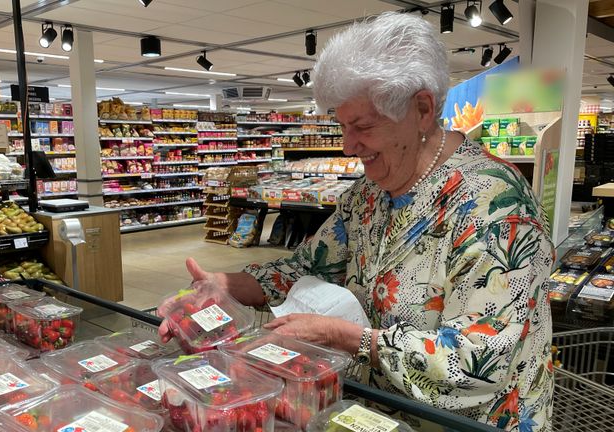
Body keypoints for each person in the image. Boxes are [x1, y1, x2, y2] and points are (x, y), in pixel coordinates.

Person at [158, 11, 554, 431]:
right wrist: (225, 285)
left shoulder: (497, 208)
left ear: (422, 109)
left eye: (362, 126)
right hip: (380, 415)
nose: (348, 146)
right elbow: (306, 267)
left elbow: (479, 360)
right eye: (342, 126)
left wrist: (344, 336)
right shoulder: (369, 194)